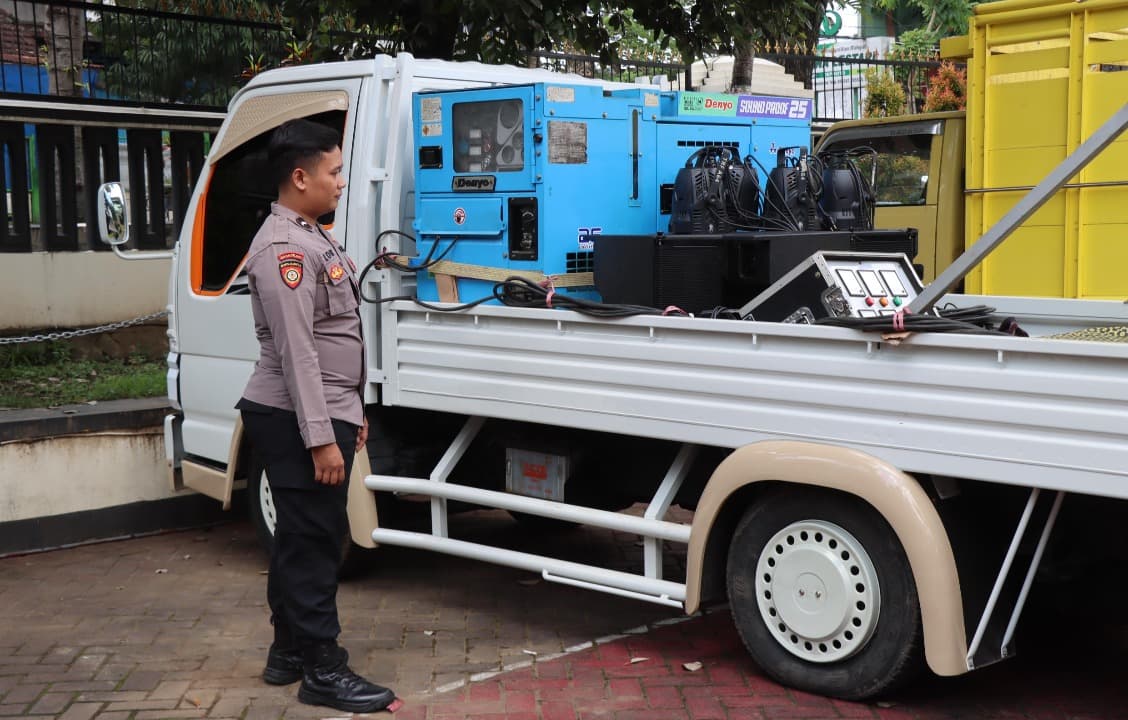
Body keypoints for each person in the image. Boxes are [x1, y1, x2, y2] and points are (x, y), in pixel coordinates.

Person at [235, 118, 396, 713]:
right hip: (297, 416)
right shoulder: (284, 250)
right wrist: (322, 438)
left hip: (322, 412)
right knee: (315, 541)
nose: (341, 182)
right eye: (333, 172)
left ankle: (289, 653)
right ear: (299, 177)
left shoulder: (308, 234)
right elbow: (298, 353)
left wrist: (350, 412)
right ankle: (323, 670)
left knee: (302, 537)